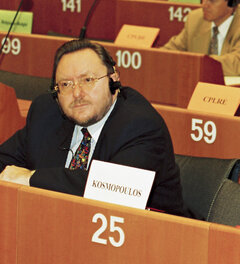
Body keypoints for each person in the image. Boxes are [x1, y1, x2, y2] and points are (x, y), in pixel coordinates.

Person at [0, 39, 187, 216]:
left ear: (113, 80)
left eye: (87, 80)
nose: (77, 93)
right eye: (66, 84)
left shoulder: (140, 124)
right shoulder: (46, 112)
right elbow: (4, 162)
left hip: (153, 238)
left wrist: (31, 178)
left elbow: (111, 189)